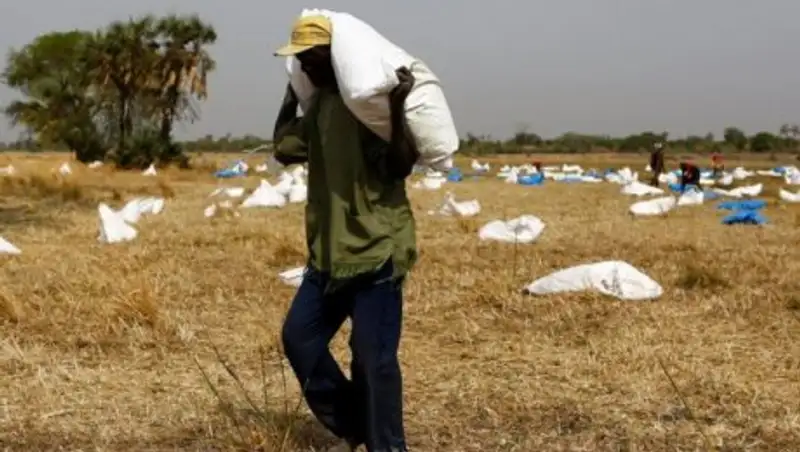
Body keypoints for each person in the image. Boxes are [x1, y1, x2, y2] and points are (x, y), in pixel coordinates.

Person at [272, 15, 419, 452]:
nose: (307, 67)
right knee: (299, 338)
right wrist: (291, 96)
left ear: (335, 58)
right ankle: (356, 426)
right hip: (328, 256)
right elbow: (283, 147)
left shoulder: (367, 108)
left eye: (312, 58)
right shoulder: (319, 109)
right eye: (301, 62)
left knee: (373, 361)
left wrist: (396, 106)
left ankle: (386, 446)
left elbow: (401, 164)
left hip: (376, 252)